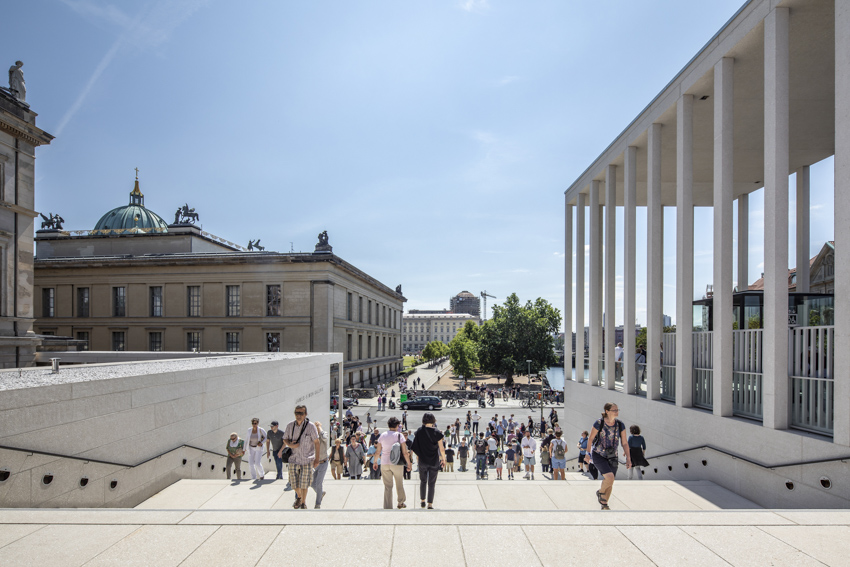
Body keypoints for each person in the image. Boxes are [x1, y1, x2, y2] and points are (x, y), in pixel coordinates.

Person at [585, 402, 631, 510]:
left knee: (611, 481)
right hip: (599, 454)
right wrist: (587, 454)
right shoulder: (599, 423)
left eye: (617, 410)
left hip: (613, 456)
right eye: (614, 410)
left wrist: (628, 458)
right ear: (607, 411)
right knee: (609, 477)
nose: (617, 412)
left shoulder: (620, 425)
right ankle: (600, 492)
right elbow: (590, 439)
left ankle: (604, 506)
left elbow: (624, 442)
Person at [283, 405, 320, 509]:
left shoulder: (311, 426)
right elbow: (285, 438)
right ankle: (299, 496)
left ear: (305, 414)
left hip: (307, 459)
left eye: (301, 413)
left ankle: (303, 503)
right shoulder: (290, 425)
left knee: (304, 483)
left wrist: (317, 459)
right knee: (293, 484)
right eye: (297, 413)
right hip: (293, 458)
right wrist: (290, 445)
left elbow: (317, 442)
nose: (298, 416)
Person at [410, 412, 446, 509]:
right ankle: (430, 503)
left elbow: (415, 446)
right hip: (434, 461)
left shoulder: (419, 431)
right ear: (433, 420)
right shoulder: (437, 432)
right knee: (432, 483)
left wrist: (415, 457)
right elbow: (441, 449)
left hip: (422, 460)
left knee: (423, 481)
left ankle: (422, 500)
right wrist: (443, 459)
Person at [375, 416, 412, 509]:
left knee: (388, 486)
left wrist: (375, 462)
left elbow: (378, 451)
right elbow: (404, 452)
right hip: (396, 463)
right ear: (397, 426)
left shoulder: (382, 435)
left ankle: (387, 506)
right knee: (399, 483)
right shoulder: (400, 435)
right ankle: (400, 502)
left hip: (384, 462)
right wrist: (409, 463)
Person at [310, 421, 329, 508]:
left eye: (316, 428)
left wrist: (319, 427)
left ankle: (318, 504)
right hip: (315, 463)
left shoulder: (323, 436)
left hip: (323, 462)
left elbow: (324, 436)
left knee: (318, 483)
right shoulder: (312, 438)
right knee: (312, 483)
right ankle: (320, 493)